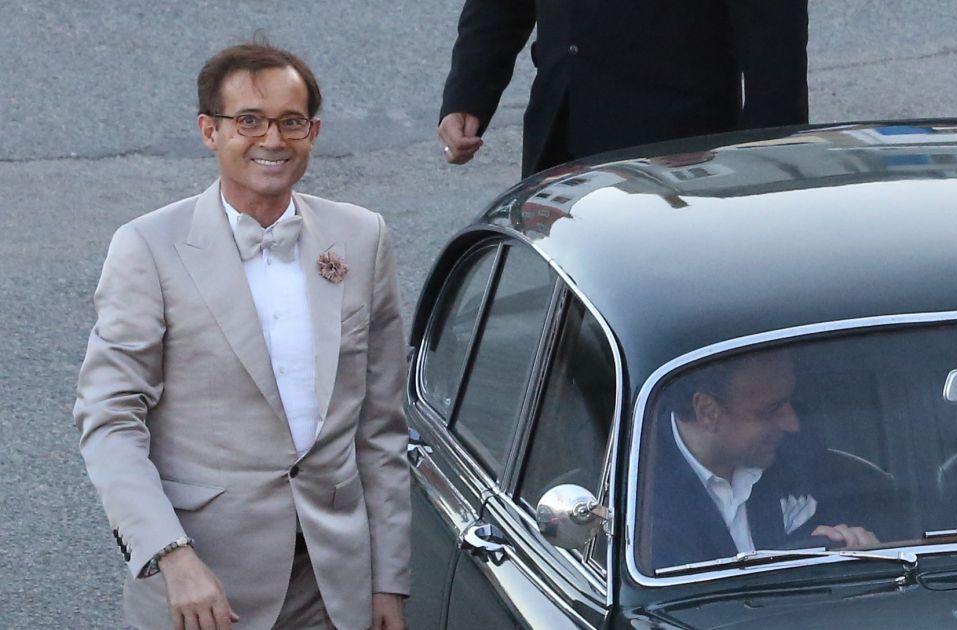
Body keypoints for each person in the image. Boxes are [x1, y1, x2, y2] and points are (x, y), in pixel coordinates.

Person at [74, 40, 409, 630]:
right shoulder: (148, 247)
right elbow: (110, 420)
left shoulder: (362, 237)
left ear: (314, 130)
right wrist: (170, 555)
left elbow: (379, 428)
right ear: (210, 131)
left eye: (290, 122)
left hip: (332, 586)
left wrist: (389, 583)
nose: (272, 140)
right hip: (202, 589)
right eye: (248, 121)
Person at [438, 1, 810, 177]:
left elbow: (775, 50)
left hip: (676, 153)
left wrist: (765, 168)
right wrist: (468, 96)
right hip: (557, 141)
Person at [644, 348, 880, 571]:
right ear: (708, 412)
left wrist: (860, 551)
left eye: (789, 401)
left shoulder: (801, 455)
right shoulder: (639, 498)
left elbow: (853, 530)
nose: (792, 424)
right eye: (770, 410)